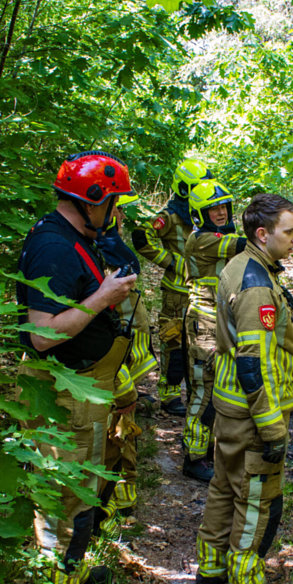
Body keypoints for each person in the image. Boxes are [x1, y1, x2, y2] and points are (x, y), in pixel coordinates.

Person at [14, 151, 138, 584]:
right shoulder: (54, 247)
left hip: (85, 386)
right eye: (114, 202)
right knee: (67, 499)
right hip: (63, 390)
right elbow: (43, 334)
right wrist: (102, 298)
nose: (117, 211)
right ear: (93, 200)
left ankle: (70, 575)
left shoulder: (78, 238)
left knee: (80, 494)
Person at [195, 193, 293, 584]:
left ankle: (211, 571)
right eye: (289, 231)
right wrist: (273, 427)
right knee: (255, 500)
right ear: (262, 233)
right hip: (252, 414)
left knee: (224, 487)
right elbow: (254, 363)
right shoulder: (256, 285)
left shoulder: (239, 265)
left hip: (230, 408)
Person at [131, 160, 213, 417]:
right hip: (176, 292)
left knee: (201, 341)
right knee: (173, 341)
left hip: (203, 291)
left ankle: (198, 392)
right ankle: (169, 395)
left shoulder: (206, 212)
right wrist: (173, 262)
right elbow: (141, 237)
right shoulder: (169, 216)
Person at [95, 194, 158, 529]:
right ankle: (105, 510)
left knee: (123, 427)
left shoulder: (111, 248)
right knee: (113, 433)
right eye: (115, 208)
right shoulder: (96, 255)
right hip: (110, 365)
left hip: (123, 361)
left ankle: (122, 497)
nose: (120, 216)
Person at [181, 180, 247, 483]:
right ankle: (193, 458)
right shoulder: (201, 240)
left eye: (224, 207)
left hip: (221, 320)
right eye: (213, 209)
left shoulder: (219, 234)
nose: (221, 213)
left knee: (218, 387)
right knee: (204, 391)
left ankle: (207, 449)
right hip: (204, 323)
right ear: (199, 214)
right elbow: (243, 246)